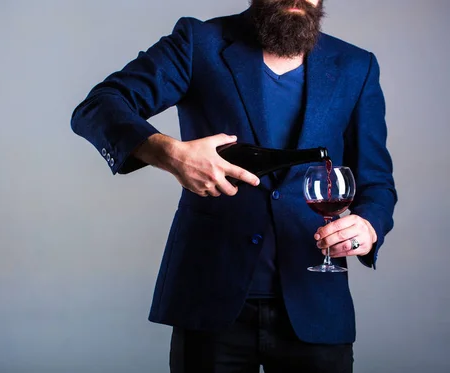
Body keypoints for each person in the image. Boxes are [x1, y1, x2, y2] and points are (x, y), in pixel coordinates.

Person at [71, 0, 397, 371]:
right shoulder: (199, 42)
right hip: (209, 301)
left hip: (317, 305)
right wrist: (170, 154)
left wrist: (368, 226)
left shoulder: (356, 65)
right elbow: (98, 106)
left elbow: (377, 183)